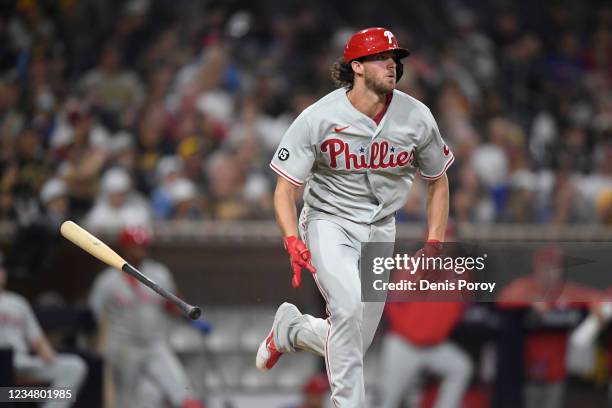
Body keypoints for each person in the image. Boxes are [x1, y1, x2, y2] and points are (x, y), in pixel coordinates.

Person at [256, 27, 454, 407]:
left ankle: (292, 331)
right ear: (357, 67)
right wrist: (291, 238)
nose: (392, 64)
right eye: (382, 57)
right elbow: (284, 189)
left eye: (394, 58)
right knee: (347, 309)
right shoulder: (319, 117)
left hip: (381, 228)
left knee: (355, 339)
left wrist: (435, 241)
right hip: (328, 221)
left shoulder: (417, 117)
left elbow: (438, 181)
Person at [88, 227, 203, 408]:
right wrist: (101, 348)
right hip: (123, 347)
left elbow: (171, 304)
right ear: (124, 248)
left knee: (184, 395)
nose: (140, 252)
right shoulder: (107, 281)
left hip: (154, 344)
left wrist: (189, 316)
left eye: (143, 247)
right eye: (134, 247)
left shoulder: (159, 273)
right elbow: (95, 317)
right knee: (125, 402)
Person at [0, 254, 87, 408]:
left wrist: (48, 354)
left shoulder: (17, 302)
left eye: (1, 268)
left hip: (19, 362)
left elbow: (37, 340)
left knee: (74, 366)